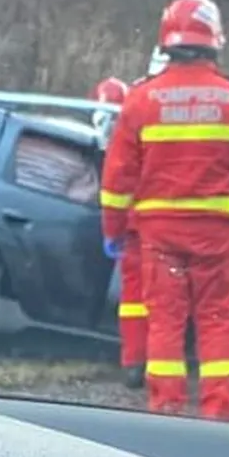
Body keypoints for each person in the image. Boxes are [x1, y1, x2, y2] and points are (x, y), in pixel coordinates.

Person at [100, 0, 229, 420]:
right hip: (217, 235)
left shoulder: (140, 101)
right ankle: (219, 412)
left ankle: (166, 410)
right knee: (216, 321)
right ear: (214, 39)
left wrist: (113, 231)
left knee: (165, 324)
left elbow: (116, 181)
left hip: (159, 235)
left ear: (166, 41)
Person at [89, 76, 147, 388]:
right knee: (167, 304)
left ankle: (135, 364)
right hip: (153, 228)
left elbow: (114, 189)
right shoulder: (146, 131)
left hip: (135, 230)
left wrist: (113, 231)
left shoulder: (124, 139)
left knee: (135, 299)